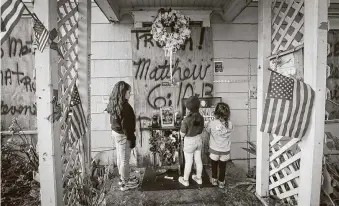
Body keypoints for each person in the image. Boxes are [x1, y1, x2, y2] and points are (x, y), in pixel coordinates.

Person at [106, 81, 138, 191]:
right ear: (123, 92)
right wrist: (132, 139)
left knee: (120, 157)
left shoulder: (114, 103)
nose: (130, 94)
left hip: (116, 133)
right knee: (125, 160)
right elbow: (127, 127)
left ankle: (123, 178)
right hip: (123, 135)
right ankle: (125, 183)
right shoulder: (125, 107)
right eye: (129, 92)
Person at [203, 102, 234, 189]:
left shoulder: (212, 123)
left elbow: (208, 131)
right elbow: (229, 130)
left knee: (214, 165)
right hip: (225, 150)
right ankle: (221, 182)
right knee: (223, 167)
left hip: (214, 150)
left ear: (216, 113)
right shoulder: (230, 124)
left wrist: (207, 125)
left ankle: (214, 180)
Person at [178, 96, 205, 186]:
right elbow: (200, 130)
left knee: (188, 162)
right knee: (198, 160)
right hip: (198, 140)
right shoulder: (201, 118)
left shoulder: (186, 119)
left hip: (189, 142)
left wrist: (182, 134)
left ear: (188, 108)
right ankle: (199, 178)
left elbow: (182, 133)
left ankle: (185, 180)